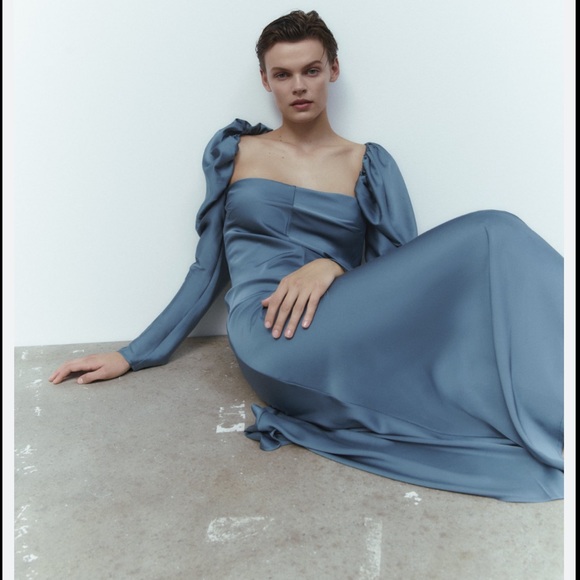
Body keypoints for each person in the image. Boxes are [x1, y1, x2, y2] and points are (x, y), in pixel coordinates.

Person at [49, 10, 564, 502]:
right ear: (266, 80)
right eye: (283, 74)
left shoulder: (368, 164)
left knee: (496, 233)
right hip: (269, 330)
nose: (299, 86)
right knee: (494, 229)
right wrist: (133, 354)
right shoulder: (236, 152)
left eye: (311, 70)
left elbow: (400, 285)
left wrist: (332, 266)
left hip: (339, 323)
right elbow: (207, 269)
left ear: (333, 70)